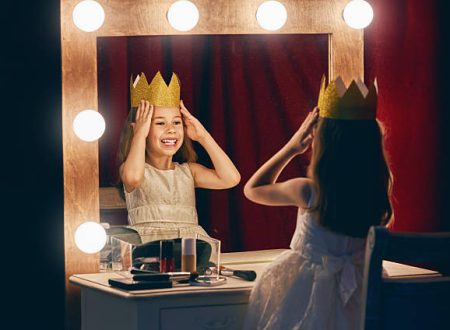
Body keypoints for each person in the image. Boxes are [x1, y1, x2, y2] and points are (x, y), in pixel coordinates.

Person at [243, 76, 393, 330]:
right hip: (361, 293)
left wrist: (292, 148)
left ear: (323, 143)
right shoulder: (376, 194)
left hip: (307, 295)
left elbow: (253, 189)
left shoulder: (308, 191)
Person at [117, 71, 240, 244]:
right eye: (160, 123)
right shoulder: (133, 169)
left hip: (189, 253)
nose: (171, 129)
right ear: (139, 129)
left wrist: (203, 136)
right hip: (149, 254)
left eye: (176, 122)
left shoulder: (189, 171)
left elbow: (231, 178)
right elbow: (133, 177)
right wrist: (139, 134)